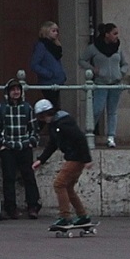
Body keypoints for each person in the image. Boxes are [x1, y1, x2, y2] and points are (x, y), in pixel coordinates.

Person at [31, 98, 93, 231]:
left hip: (76, 158)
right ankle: (83, 216)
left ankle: (65, 217)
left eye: (43, 116)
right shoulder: (54, 124)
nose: (43, 119)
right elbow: (52, 144)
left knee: (59, 184)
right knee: (68, 187)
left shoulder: (64, 122)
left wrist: (87, 159)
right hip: (74, 157)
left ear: (48, 113)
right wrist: (41, 160)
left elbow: (80, 138)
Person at [0, 77, 41, 219]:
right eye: (13, 90)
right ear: (8, 92)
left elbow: (35, 130)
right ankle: (11, 208)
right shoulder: (0, 109)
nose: (16, 92)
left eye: (18, 90)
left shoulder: (27, 108)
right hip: (8, 148)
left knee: (28, 176)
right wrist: (0, 144)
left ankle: (33, 206)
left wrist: (31, 142)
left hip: (24, 146)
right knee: (8, 178)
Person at [79, 22, 128, 147]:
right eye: (114, 33)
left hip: (115, 83)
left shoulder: (118, 48)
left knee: (112, 111)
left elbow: (125, 63)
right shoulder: (94, 48)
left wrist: (121, 73)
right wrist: (92, 69)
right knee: (97, 109)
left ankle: (111, 136)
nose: (117, 36)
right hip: (100, 83)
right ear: (106, 34)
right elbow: (81, 60)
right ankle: (89, 134)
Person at [30, 20, 66, 109]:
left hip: (57, 81)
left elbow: (56, 63)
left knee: (53, 106)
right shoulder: (42, 46)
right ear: (46, 31)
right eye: (53, 31)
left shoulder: (55, 46)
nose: (56, 33)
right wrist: (48, 74)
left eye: (57, 31)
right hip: (48, 81)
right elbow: (34, 64)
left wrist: (62, 75)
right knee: (52, 107)